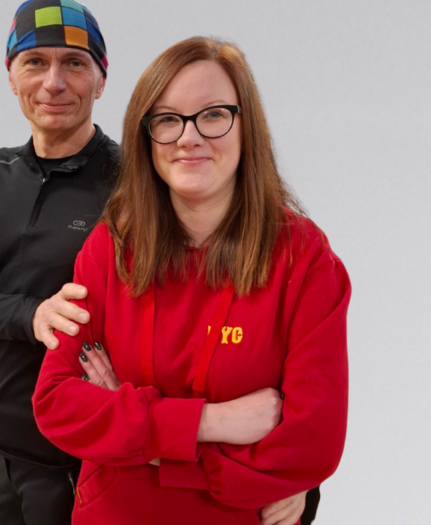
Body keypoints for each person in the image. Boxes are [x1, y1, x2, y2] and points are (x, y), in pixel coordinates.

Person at [32, 37, 350, 525]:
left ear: (247, 126)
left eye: (213, 115)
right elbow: (56, 404)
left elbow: (312, 444)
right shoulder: (110, 247)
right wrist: (210, 423)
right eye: (167, 119)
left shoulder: (302, 257)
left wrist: (141, 443)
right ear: (146, 136)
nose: (188, 137)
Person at [0, 0, 119, 525]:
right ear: (11, 76)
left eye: (74, 63)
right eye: (35, 62)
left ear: (101, 80)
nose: (53, 82)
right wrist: (33, 315)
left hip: (98, 459)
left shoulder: (134, 184)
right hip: (12, 450)